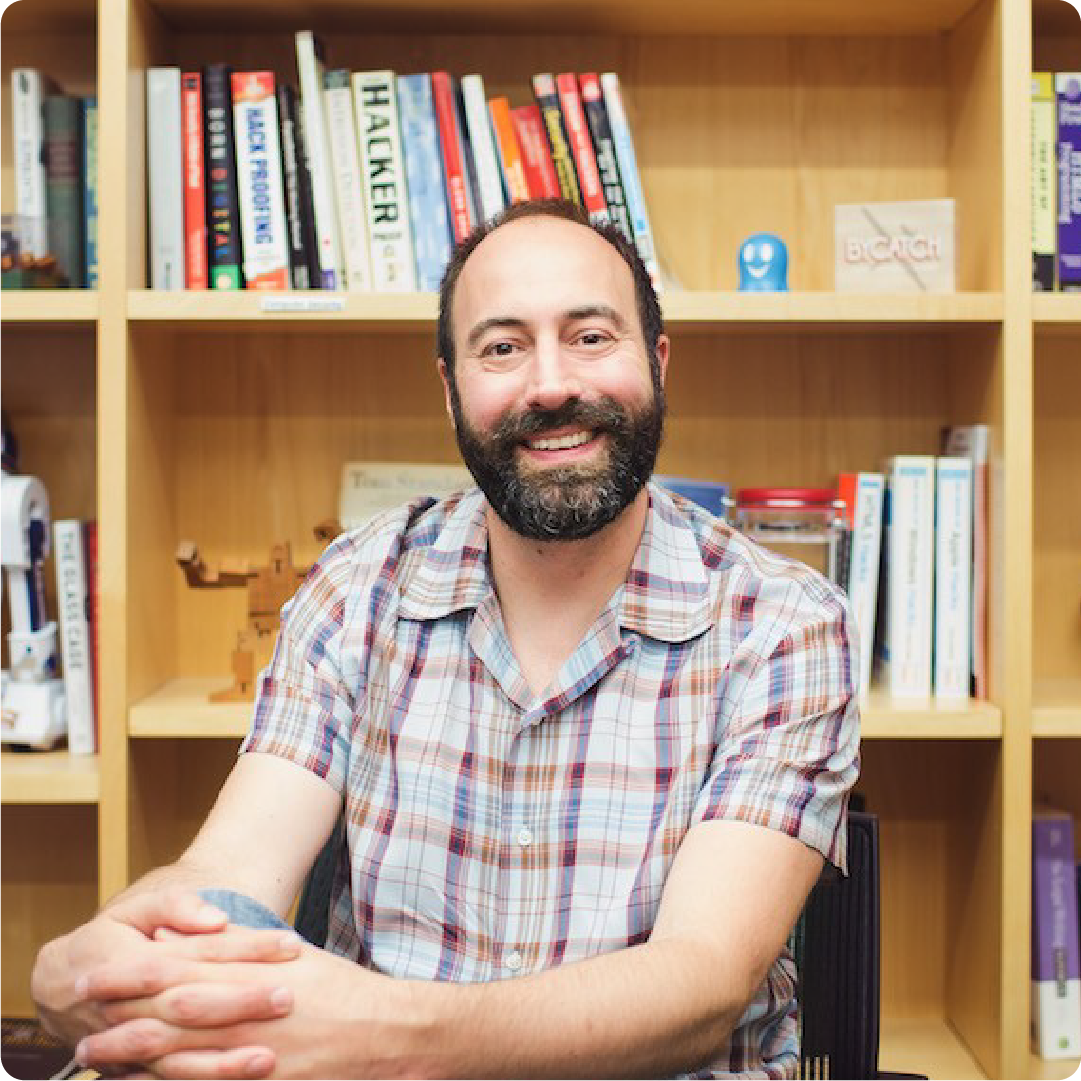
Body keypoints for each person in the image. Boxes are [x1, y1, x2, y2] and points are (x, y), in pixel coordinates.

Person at [32, 198, 859, 1079]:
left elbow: (701, 982)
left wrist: (388, 1032)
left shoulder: (784, 622)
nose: (549, 384)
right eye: (501, 347)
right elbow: (229, 872)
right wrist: (99, 958)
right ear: (449, 385)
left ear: (657, 363)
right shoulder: (360, 585)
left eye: (589, 336)